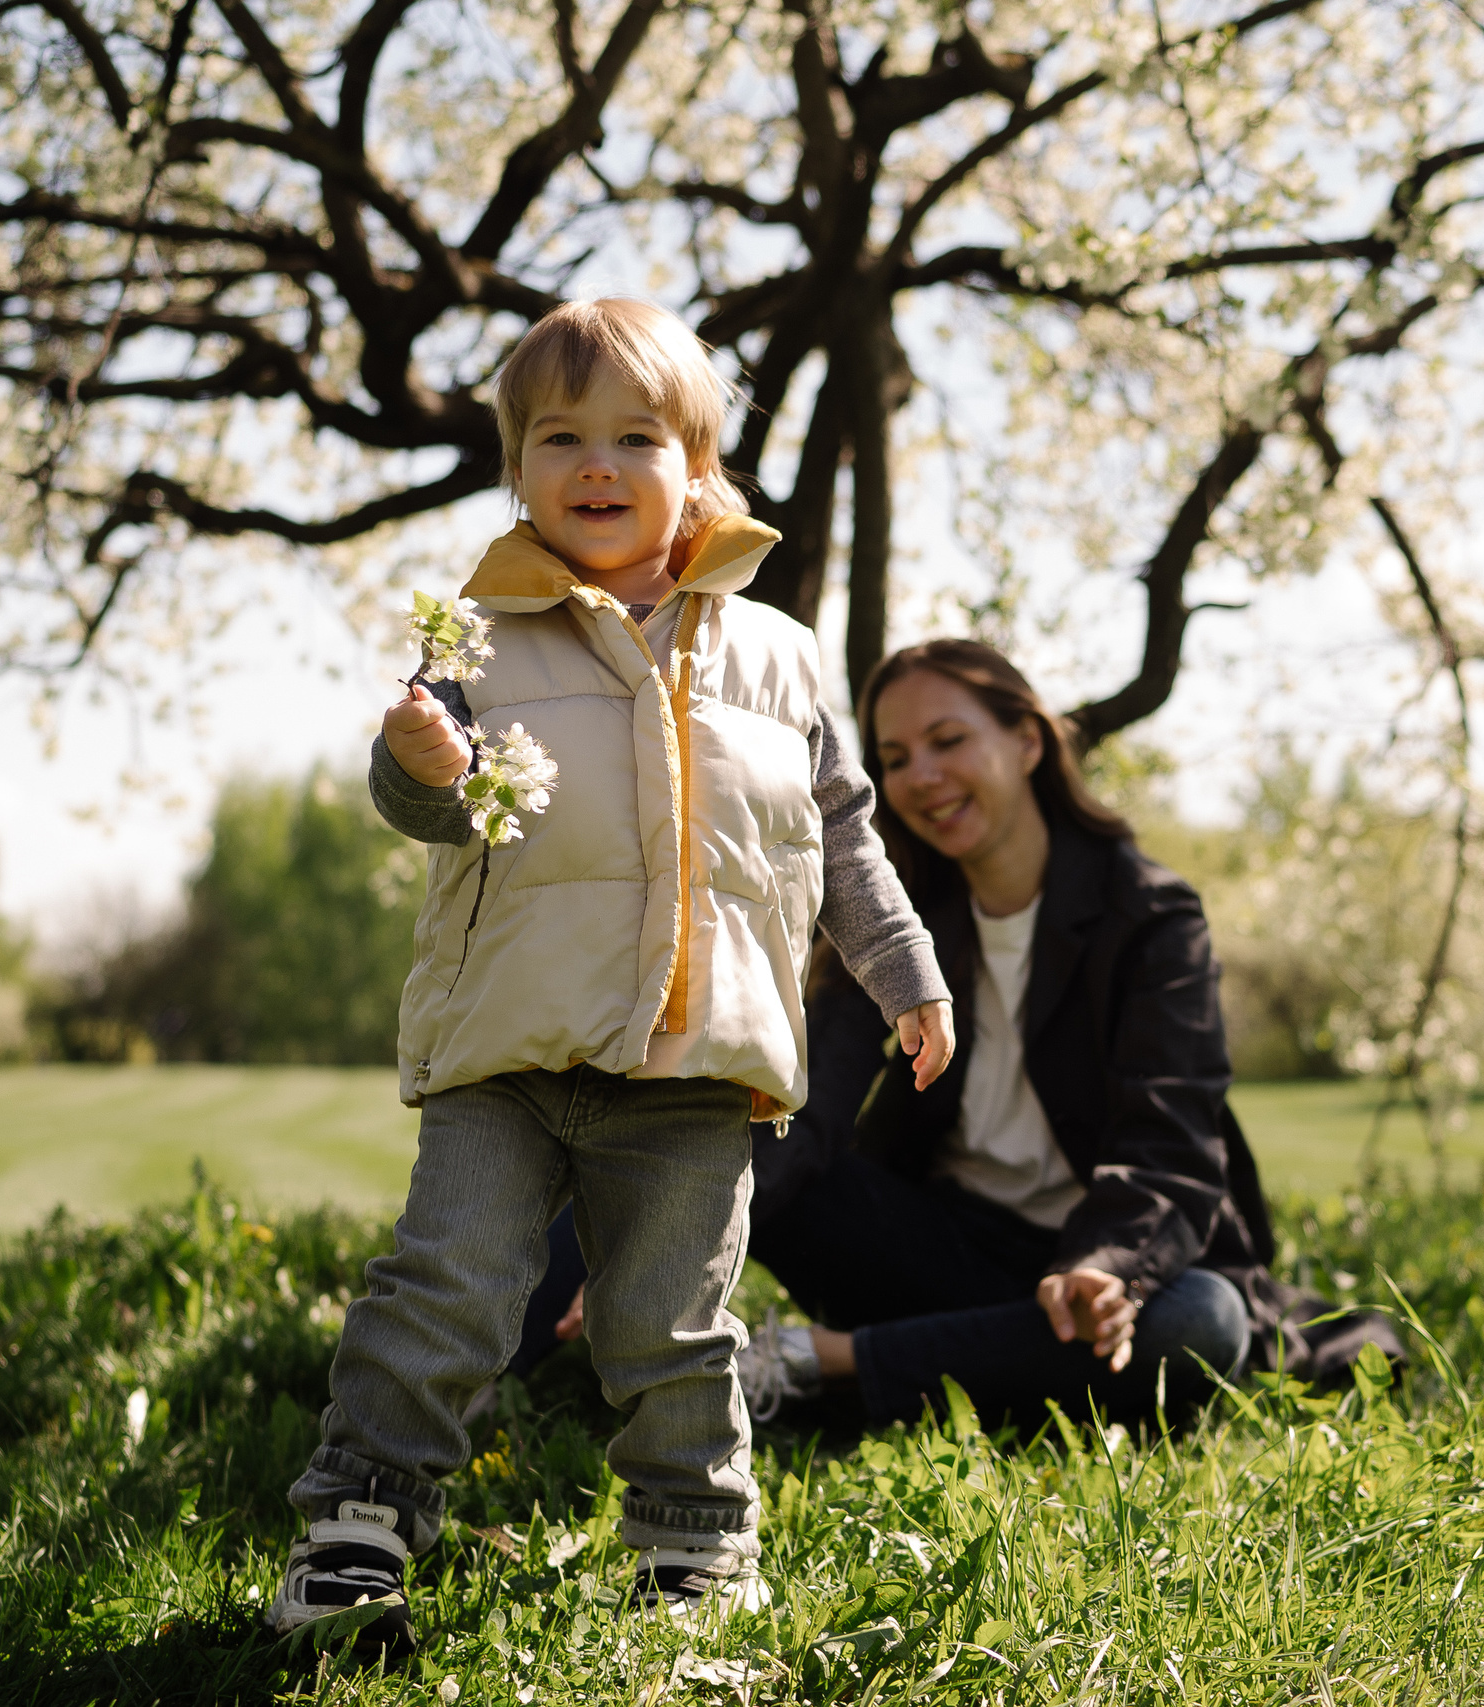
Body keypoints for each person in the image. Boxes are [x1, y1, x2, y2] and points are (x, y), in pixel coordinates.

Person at [264, 298, 955, 1653]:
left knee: (672, 1317)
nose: (596, 463)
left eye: (635, 435)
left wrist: (907, 977)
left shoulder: (781, 654)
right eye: (560, 435)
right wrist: (421, 764)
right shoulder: (476, 636)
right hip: (510, 1049)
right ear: (516, 466)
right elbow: (434, 809)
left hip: (694, 1059)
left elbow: (844, 841)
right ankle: (357, 1527)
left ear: (699, 468)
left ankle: (694, 1544)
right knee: (447, 1281)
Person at [528, 641, 1404, 1430]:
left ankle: (808, 1364)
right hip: (943, 1250)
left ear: (1028, 741)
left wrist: (1105, 1267)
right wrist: (650, 1238)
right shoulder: (892, 924)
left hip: (1098, 1273)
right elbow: (814, 1107)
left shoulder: (1149, 915)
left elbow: (1170, 1136)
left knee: (1203, 1320)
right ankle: (494, 1363)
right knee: (722, 1138)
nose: (923, 777)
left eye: (949, 741)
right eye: (898, 757)